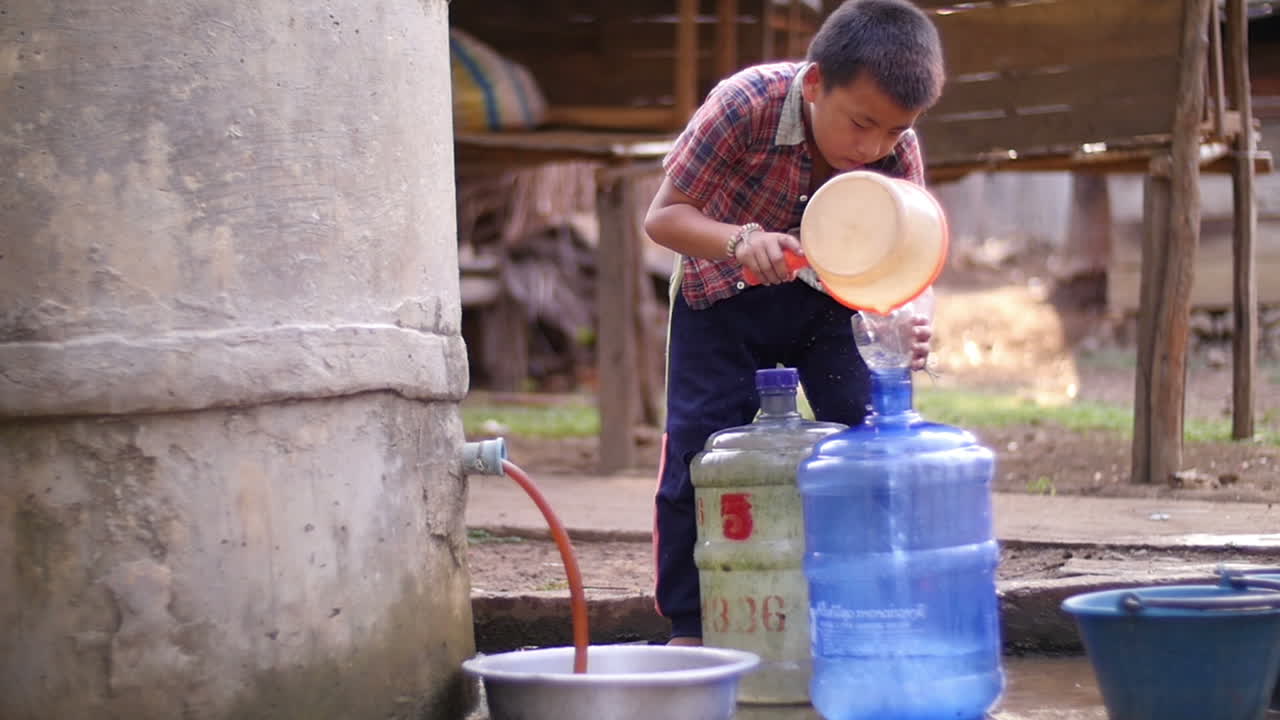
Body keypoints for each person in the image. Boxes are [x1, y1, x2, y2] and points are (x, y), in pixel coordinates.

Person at [642, 0, 944, 645]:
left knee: (873, 441)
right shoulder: (744, 105)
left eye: (894, 132)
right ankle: (692, 626)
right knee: (700, 453)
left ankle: (870, 612)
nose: (873, 148)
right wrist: (738, 241)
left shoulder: (897, 148)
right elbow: (663, 218)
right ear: (815, 84)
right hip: (720, 294)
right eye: (861, 124)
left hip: (835, 305)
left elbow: (913, 260)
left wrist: (911, 319)